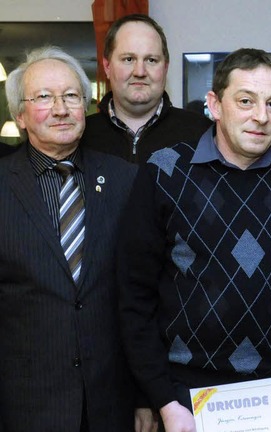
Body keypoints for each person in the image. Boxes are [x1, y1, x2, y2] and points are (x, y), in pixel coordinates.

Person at [118, 48, 271, 432]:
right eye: (246, 101)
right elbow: (133, 296)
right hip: (185, 397)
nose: (261, 116)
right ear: (215, 104)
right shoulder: (164, 173)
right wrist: (161, 398)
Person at [0, 46, 145, 431]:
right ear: (20, 115)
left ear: (87, 105)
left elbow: (144, 293)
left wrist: (147, 396)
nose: (60, 109)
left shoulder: (125, 180)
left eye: (71, 96)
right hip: (24, 407)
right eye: (44, 98)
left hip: (112, 405)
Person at [82, 14, 212, 163]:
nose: (140, 72)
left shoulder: (202, 134)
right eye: (128, 59)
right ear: (107, 67)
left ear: (165, 68)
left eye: (151, 60)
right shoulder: (81, 136)